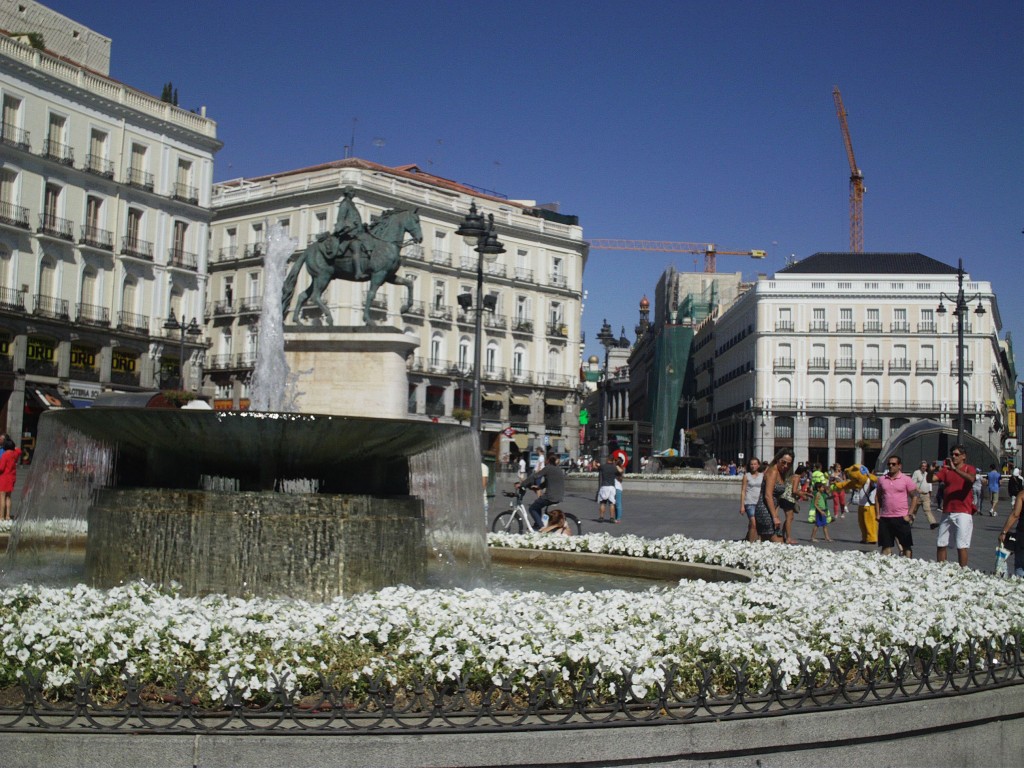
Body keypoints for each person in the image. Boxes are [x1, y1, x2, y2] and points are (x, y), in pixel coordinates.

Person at [930, 445, 978, 568]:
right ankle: (941, 568)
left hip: (963, 511)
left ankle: (963, 570)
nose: (953, 456)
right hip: (947, 511)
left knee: (961, 545)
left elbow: (971, 479)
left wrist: (955, 469)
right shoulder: (946, 470)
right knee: (941, 542)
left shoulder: (969, 468)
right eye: (952, 454)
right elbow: (931, 479)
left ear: (964, 456)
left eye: (957, 454)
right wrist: (931, 470)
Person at [875, 455, 920, 558]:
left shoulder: (906, 479)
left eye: (894, 464)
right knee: (885, 546)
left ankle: (908, 566)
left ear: (899, 466)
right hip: (886, 517)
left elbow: (915, 497)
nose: (891, 466)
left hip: (901, 517)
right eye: (889, 464)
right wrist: (878, 513)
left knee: (906, 547)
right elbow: (878, 497)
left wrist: (910, 514)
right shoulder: (882, 479)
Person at [753, 448, 792, 543]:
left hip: (771, 509)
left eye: (788, 464)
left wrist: (775, 513)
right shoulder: (773, 471)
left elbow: (777, 498)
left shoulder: (780, 473)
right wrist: (775, 517)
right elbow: (768, 495)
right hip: (764, 509)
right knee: (778, 542)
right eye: (783, 462)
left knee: (767, 542)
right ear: (778, 459)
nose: (785, 465)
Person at [516, 453, 564, 529]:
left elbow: (535, 476)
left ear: (548, 460)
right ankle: (538, 524)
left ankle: (541, 528)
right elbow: (548, 481)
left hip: (550, 496)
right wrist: (539, 487)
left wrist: (522, 484)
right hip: (559, 496)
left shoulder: (548, 468)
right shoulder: (559, 469)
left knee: (532, 508)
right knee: (538, 504)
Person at [998, 491, 1024, 578]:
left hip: (1022, 535)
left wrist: (1004, 532)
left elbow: (1015, 515)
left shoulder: (1022, 494)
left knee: (1020, 565)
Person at [739, 457, 763, 542]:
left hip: (759, 502)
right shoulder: (746, 476)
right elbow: (743, 491)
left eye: (755, 464)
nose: (753, 466)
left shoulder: (762, 475)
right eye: (751, 464)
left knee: (755, 523)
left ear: (758, 465)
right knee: (754, 523)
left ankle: (749, 538)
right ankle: (751, 543)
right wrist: (742, 506)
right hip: (749, 502)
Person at [911, 460, 938, 529]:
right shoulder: (916, 473)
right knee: (914, 510)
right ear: (920, 466)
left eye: (925, 466)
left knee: (927, 510)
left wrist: (929, 492)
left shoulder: (927, 473)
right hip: (917, 495)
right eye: (922, 466)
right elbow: (913, 483)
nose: (924, 467)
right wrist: (917, 489)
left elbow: (929, 484)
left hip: (926, 495)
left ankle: (932, 523)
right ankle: (909, 523)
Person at [0, 436, 21, 520]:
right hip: (12, 477)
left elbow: (1, 468)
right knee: (8, 497)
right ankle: (8, 516)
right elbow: (19, 450)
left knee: (2, 497)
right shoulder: (14, 454)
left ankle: (1, 516)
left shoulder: (5, 455)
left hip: (4, 478)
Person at [596, 455, 618, 522]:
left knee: (603, 503)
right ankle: (611, 518)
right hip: (612, 486)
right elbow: (618, 472)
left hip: (604, 486)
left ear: (607, 459)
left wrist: (596, 463)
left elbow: (596, 467)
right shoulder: (614, 467)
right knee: (612, 503)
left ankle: (601, 517)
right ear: (612, 460)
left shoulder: (603, 466)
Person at [613, 455, 625, 523]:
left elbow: (621, 471)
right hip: (613, 488)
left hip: (617, 488)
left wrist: (616, 466)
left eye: (615, 461)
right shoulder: (615, 468)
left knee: (618, 504)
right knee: (614, 504)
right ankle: (616, 517)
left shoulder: (620, 468)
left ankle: (618, 518)